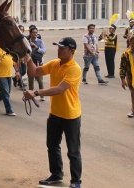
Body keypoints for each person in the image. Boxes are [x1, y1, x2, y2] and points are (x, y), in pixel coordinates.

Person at [23, 37, 82, 188]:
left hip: (70, 115)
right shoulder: (55, 64)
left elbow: (59, 89)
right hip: (55, 113)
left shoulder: (74, 68)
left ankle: (76, 181)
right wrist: (28, 58)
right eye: (58, 47)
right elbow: (35, 72)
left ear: (72, 51)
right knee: (52, 145)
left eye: (62, 48)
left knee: (73, 151)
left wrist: (36, 92)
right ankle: (56, 174)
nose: (59, 49)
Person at [0, 47, 19, 116]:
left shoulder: (9, 49)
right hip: (0, 75)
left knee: (6, 92)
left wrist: (17, 71)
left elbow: (13, 62)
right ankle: (9, 110)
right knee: (6, 93)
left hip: (9, 74)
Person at [28, 27, 46, 101]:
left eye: (36, 32)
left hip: (38, 63)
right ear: (30, 33)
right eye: (33, 32)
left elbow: (44, 51)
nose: (35, 34)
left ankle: (42, 95)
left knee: (40, 80)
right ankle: (30, 94)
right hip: (30, 63)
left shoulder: (40, 41)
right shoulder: (27, 41)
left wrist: (36, 47)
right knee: (30, 80)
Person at [120, 36, 134, 118]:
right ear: (129, 43)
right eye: (132, 43)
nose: (133, 45)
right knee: (133, 94)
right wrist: (122, 80)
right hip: (131, 78)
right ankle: (133, 110)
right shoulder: (125, 54)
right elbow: (122, 67)